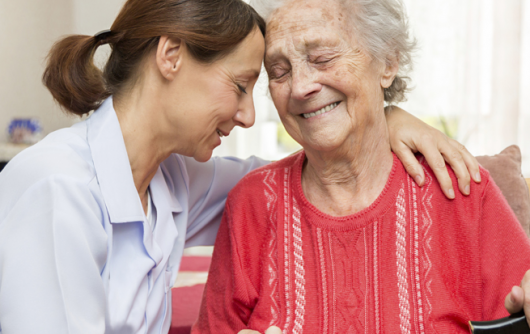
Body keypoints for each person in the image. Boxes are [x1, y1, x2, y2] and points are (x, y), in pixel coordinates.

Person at [0, 0, 479, 333]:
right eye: (240, 84)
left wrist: (381, 116)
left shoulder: (173, 180)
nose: (249, 114)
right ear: (171, 56)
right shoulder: (56, 187)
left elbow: (301, 176)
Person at [192, 0, 530, 333]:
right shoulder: (252, 203)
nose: (299, 87)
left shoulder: (461, 189)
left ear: (387, 62)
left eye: (322, 58)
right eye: (279, 71)